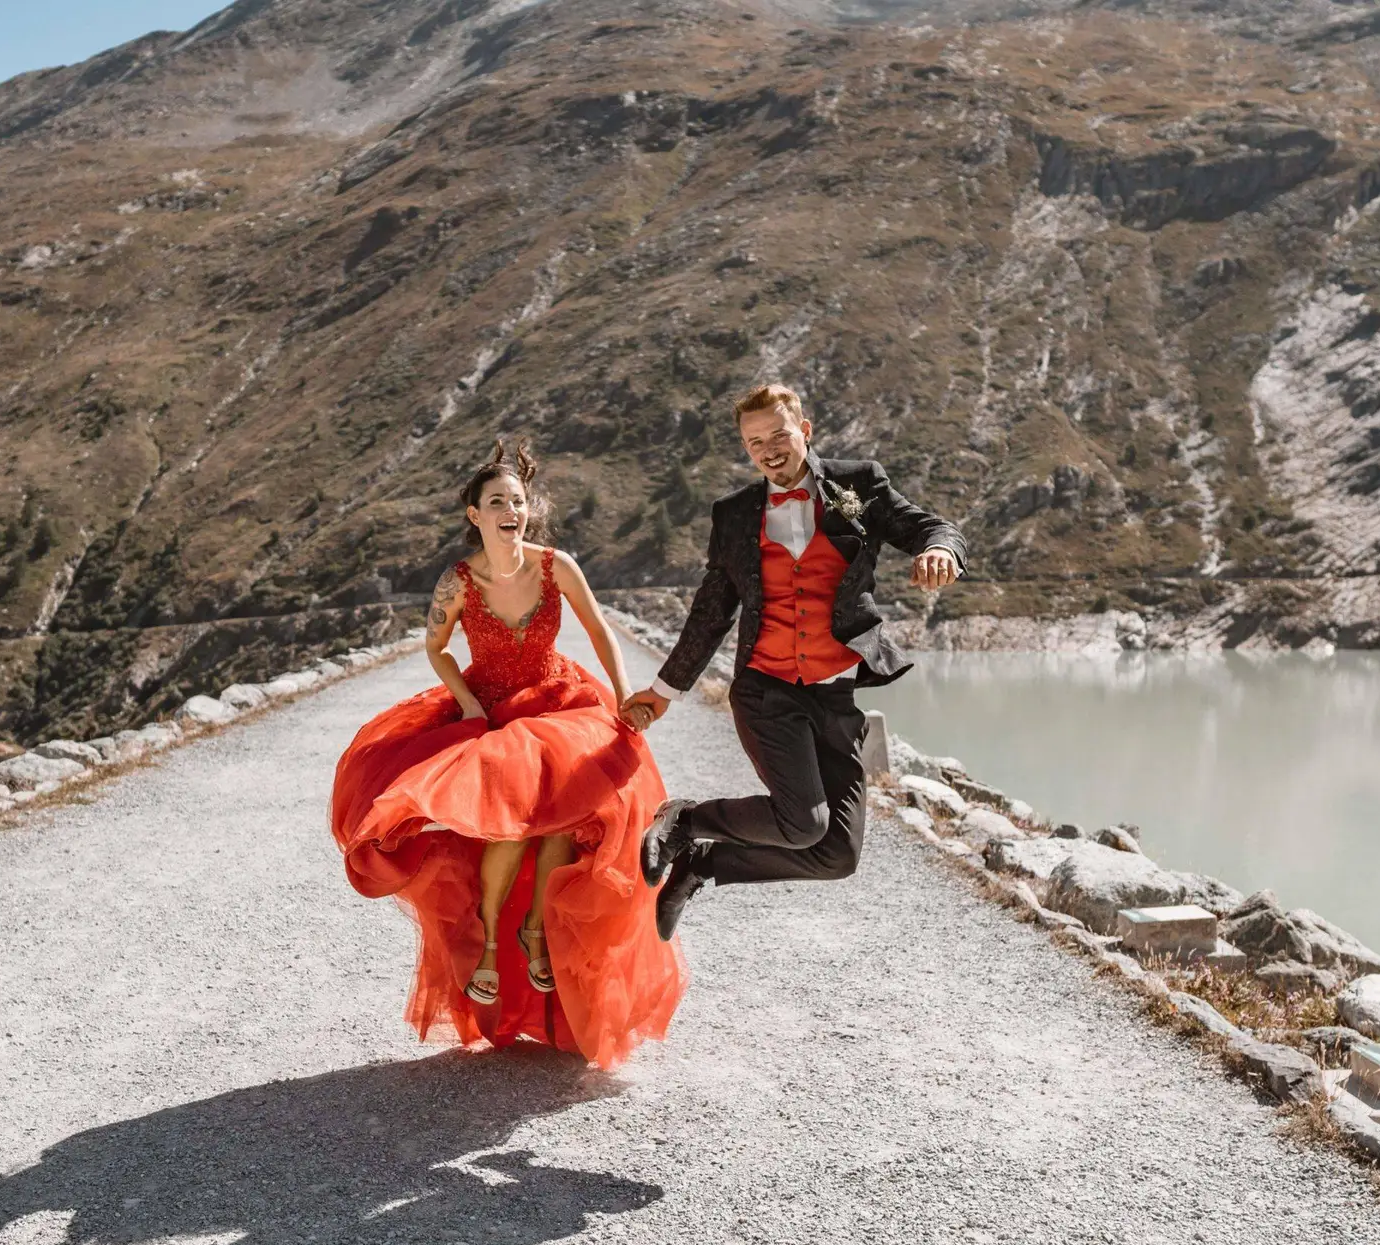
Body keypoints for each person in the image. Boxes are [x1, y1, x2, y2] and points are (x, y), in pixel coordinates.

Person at [330, 440, 686, 1069]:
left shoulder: (557, 566)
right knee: (509, 828)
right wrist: (465, 702)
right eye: (497, 502)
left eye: (517, 502)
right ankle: (493, 943)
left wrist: (627, 696)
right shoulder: (459, 581)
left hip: (558, 701)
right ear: (474, 514)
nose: (510, 511)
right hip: (492, 710)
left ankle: (536, 931)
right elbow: (437, 647)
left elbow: (602, 632)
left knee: (567, 814)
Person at [619, 383, 967, 940]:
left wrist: (941, 550)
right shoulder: (734, 515)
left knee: (837, 857)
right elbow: (711, 613)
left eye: (778, 435)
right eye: (753, 443)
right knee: (803, 822)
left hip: (833, 693)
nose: (768, 450)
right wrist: (662, 692)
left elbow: (931, 527)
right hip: (766, 690)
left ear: (804, 430)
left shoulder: (860, 484)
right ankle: (684, 819)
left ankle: (701, 864)